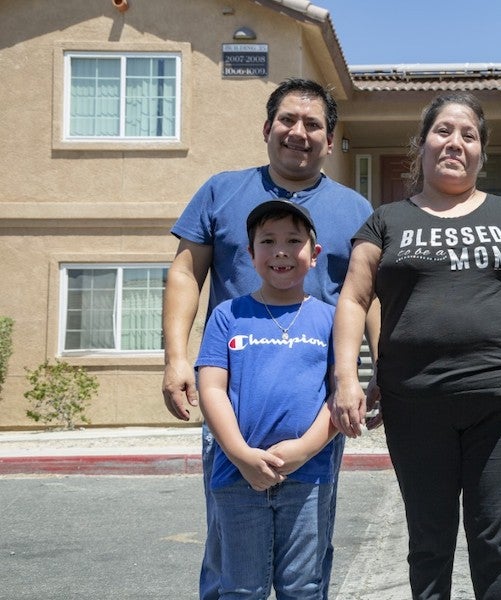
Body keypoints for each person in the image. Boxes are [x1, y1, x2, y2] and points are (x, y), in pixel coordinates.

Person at [330, 92, 501, 600]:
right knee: (429, 543)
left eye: (469, 135)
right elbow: (355, 298)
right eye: (443, 131)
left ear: (481, 155)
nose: (455, 142)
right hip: (414, 402)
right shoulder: (386, 220)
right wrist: (346, 379)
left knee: (494, 543)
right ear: (421, 145)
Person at [161, 78, 376, 599]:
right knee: (230, 559)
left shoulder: (355, 210)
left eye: (312, 125)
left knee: (308, 558)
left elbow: (372, 296)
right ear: (266, 128)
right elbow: (186, 274)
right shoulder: (222, 190)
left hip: (314, 409)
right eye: (287, 120)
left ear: (329, 140)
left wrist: (381, 372)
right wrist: (175, 358)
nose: (297, 132)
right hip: (233, 405)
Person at [197, 200, 337, 598]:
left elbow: (339, 394)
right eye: (268, 240)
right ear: (250, 253)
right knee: (242, 587)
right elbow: (211, 390)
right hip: (237, 474)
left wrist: (303, 450)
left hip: (308, 474)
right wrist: (241, 454)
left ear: (314, 255)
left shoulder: (330, 319)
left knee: (303, 586)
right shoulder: (228, 315)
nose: (280, 250)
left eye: (294, 240)